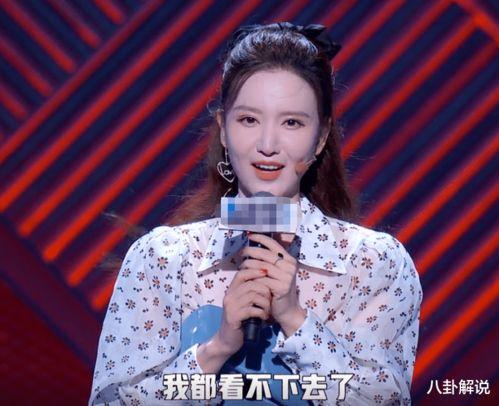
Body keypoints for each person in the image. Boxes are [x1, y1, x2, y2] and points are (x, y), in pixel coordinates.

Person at [89, 22, 422, 405]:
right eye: (248, 120)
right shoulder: (164, 259)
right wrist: (216, 348)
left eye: (292, 123)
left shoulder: (372, 263)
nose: (267, 144)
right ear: (223, 130)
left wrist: (295, 319)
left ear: (321, 137)